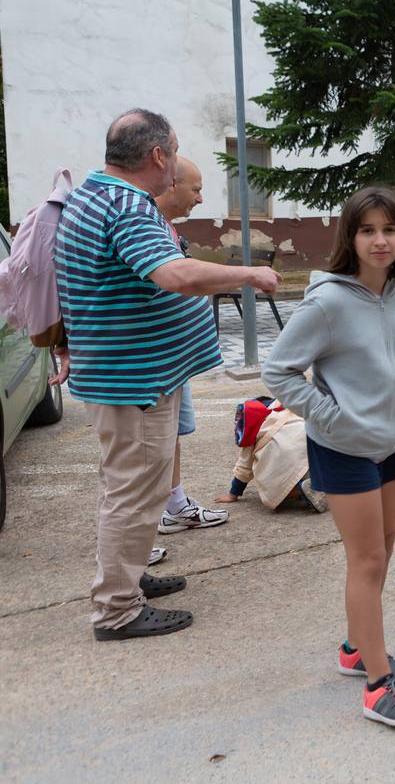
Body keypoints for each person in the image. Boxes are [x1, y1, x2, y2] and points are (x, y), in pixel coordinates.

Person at [55, 109, 279, 641]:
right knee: (133, 493)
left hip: (127, 376)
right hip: (132, 382)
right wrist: (249, 272)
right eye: (175, 152)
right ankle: (116, 610)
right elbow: (172, 274)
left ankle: (128, 579)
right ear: (158, 156)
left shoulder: (96, 192)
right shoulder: (127, 205)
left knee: (131, 488)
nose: (177, 164)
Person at [262, 186, 395, 728]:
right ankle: (379, 687)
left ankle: (357, 650)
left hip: (391, 444)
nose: (379, 241)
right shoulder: (328, 302)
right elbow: (279, 370)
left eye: (389, 229)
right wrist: (330, 417)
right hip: (343, 447)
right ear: (350, 238)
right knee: (367, 561)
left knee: (382, 551)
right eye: (367, 231)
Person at [153, 157, 229, 535]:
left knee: (170, 436)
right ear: (171, 184)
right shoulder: (143, 224)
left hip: (173, 360)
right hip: (151, 365)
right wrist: (246, 274)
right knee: (142, 454)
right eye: (196, 189)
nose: (200, 198)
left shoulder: (163, 225)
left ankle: (175, 505)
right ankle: (135, 540)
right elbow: (177, 277)